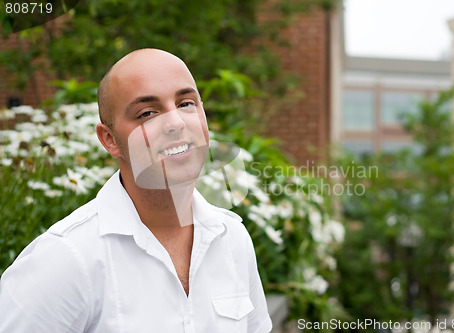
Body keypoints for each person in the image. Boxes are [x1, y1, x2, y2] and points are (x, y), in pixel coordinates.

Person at [0, 48, 273, 333]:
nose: (176, 122)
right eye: (147, 113)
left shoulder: (232, 240)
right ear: (110, 139)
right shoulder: (65, 259)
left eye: (186, 103)